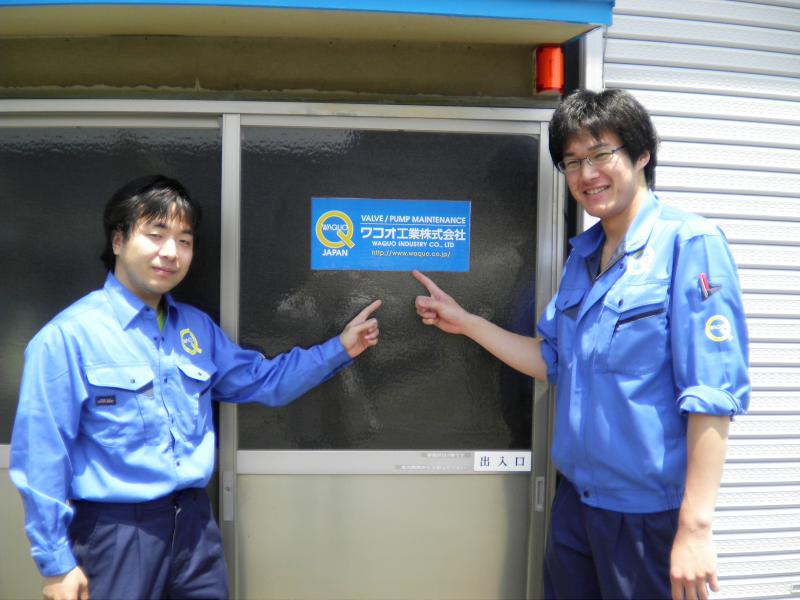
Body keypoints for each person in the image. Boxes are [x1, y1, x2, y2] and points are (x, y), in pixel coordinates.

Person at [413, 89, 749, 600]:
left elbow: (712, 394)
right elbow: (552, 358)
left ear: (641, 154)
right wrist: (466, 323)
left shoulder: (690, 244)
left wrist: (695, 528)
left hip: (646, 516)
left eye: (600, 154)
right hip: (576, 504)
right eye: (572, 162)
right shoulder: (583, 256)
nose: (586, 174)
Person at [10, 174, 381, 600]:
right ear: (118, 241)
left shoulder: (196, 329)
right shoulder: (68, 337)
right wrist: (56, 563)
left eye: (184, 240)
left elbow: (264, 381)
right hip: (115, 534)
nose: (171, 252)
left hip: (194, 530)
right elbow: (42, 453)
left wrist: (340, 348)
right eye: (155, 235)